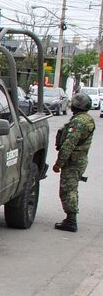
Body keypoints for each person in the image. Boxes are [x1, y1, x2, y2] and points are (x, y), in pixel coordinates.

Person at [53, 92, 94, 232]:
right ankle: (70, 218)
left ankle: (71, 221)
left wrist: (59, 163)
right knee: (71, 188)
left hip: (73, 161)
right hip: (79, 159)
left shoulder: (79, 121)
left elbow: (69, 144)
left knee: (68, 190)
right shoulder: (87, 119)